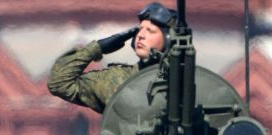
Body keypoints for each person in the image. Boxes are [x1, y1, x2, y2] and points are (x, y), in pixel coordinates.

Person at [47, 3, 178, 114]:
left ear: (169, 39)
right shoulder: (118, 80)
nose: (141, 35)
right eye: (140, 29)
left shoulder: (187, 82)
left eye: (150, 30)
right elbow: (59, 83)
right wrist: (96, 48)